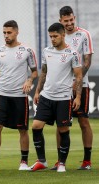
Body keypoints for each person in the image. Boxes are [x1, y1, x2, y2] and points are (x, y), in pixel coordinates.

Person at [0, 20, 38, 172]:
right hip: (2, 95)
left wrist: (29, 80)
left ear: (16, 32)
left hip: (19, 96)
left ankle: (23, 162)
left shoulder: (27, 50)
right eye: (4, 33)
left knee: (22, 129)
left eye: (9, 32)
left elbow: (35, 71)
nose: (6, 35)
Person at [30, 22, 83, 172]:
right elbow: (44, 72)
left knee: (63, 130)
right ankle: (42, 161)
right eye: (50, 36)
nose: (52, 39)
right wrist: (37, 91)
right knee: (36, 126)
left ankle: (61, 163)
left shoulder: (72, 53)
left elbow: (78, 77)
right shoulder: (47, 51)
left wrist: (77, 97)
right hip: (46, 96)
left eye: (55, 36)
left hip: (64, 98)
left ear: (63, 35)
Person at [50, 6, 94, 170]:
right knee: (60, 124)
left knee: (83, 121)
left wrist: (77, 80)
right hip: (61, 87)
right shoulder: (58, 35)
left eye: (71, 20)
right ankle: (60, 161)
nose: (69, 23)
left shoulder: (84, 34)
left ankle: (87, 161)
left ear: (74, 18)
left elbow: (87, 61)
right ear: (60, 20)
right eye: (65, 21)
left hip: (80, 85)